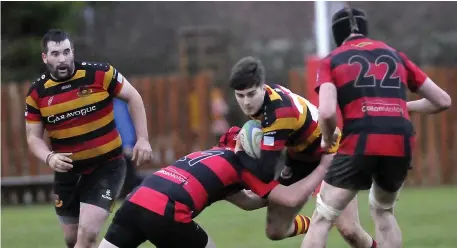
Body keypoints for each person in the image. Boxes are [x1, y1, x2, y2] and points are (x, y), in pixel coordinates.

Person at [301, 8, 451, 248]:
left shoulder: (332, 60)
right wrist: (404, 107)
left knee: (323, 217)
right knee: (383, 212)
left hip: (360, 140)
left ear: (336, 35)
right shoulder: (396, 55)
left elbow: (327, 112)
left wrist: (327, 138)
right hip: (399, 141)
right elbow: (442, 100)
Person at [228, 56, 377, 247]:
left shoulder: (279, 113)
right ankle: (321, 224)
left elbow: (265, 171)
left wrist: (239, 155)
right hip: (300, 158)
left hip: (333, 152)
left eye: (250, 94)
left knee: (350, 230)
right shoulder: (262, 102)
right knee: (276, 231)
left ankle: (323, 224)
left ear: (263, 87)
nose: (246, 102)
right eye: (240, 96)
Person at [24, 29, 154, 248]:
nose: (63, 58)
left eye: (66, 51)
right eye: (55, 54)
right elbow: (33, 138)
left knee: (87, 234)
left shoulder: (101, 73)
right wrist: (49, 157)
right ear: (45, 57)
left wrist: (143, 138)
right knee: (72, 239)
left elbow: (133, 96)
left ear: (73, 51)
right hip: (67, 172)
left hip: (107, 167)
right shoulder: (37, 93)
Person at [98, 126, 328, 248]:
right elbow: (288, 199)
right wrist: (321, 169)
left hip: (134, 200)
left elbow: (247, 202)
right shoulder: (243, 166)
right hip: (167, 210)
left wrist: (282, 189)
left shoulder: (214, 155)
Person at [113, 98, 143, 197]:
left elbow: (123, 124)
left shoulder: (116, 104)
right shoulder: (117, 103)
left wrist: (127, 144)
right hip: (116, 146)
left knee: (128, 177)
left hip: (120, 147)